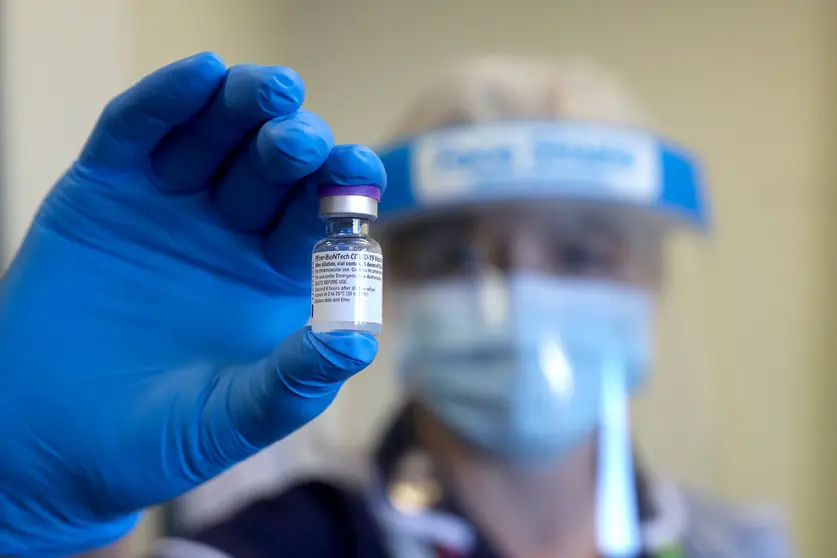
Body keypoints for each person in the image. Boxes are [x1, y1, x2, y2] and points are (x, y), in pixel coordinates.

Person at [0, 53, 791, 558]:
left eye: (581, 254)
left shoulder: (739, 548)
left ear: (651, 286)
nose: (517, 294)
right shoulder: (268, 548)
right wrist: (30, 526)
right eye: (454, 255)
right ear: (393, 282)